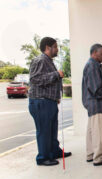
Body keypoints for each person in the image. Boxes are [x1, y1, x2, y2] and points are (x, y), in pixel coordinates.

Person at [28, 37, 71, 166]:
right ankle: (43, 158)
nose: (57, 49)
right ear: (48, 47)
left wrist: (56, 97)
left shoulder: (48, 61)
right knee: (44, 131)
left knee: (52, 129)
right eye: (55, 47)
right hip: (41, 102)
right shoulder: (39, 60)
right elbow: (35, 79)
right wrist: (56, 74)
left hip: (49, 101)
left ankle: (54, 151)